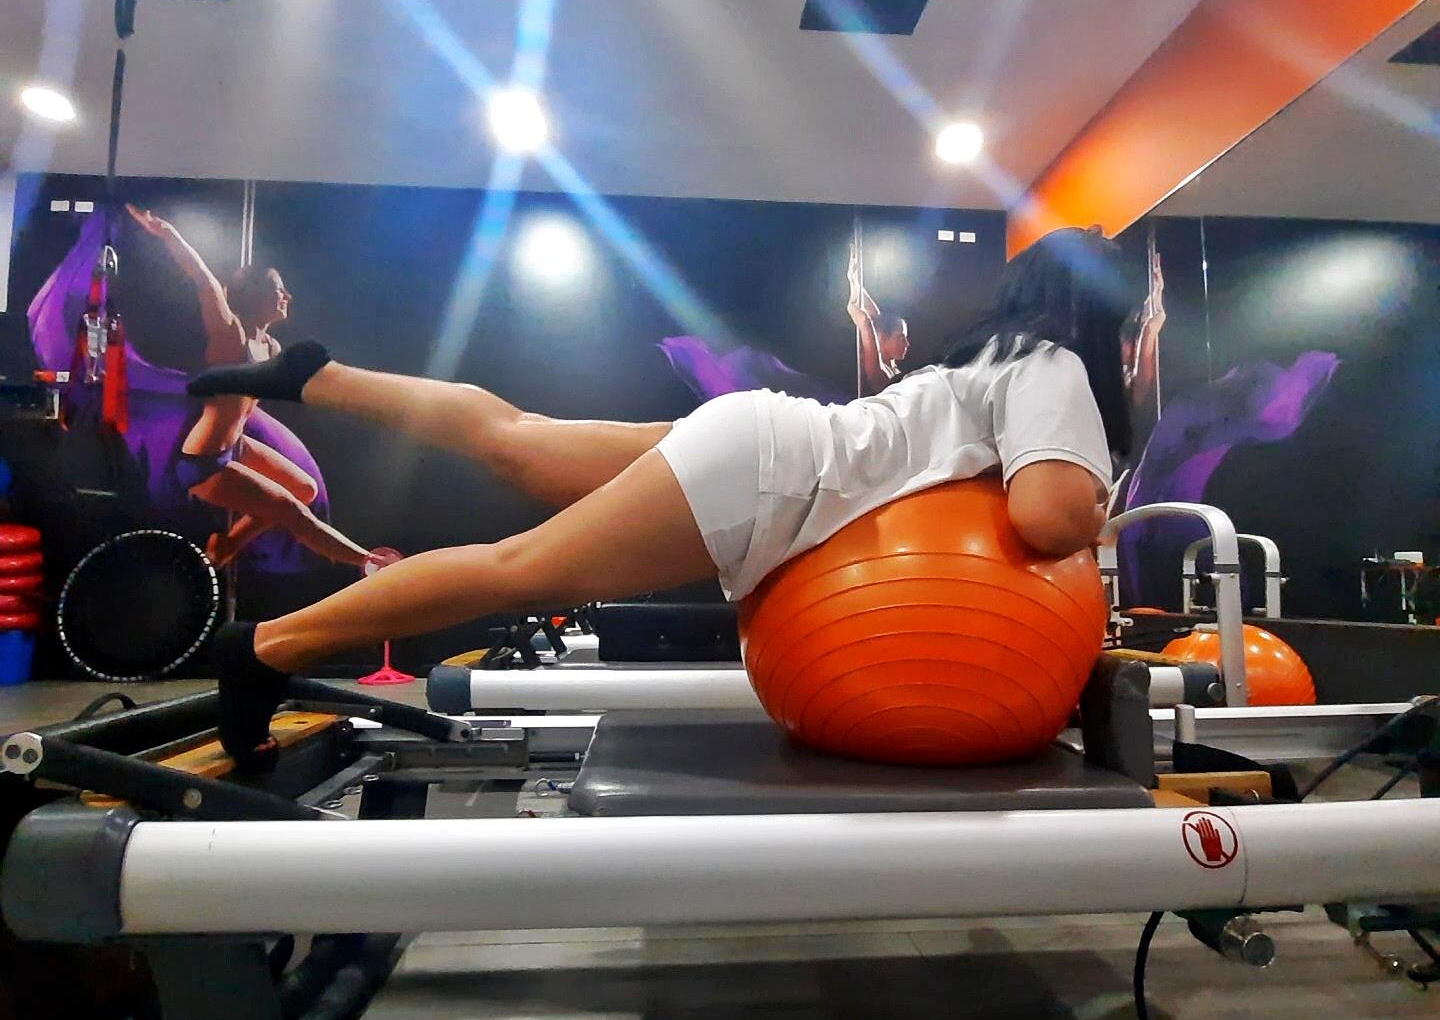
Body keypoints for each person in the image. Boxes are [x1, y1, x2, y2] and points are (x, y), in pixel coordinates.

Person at [191, 225, 1140, 761]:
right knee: (517, 569)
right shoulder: (1052, 365)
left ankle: (320, 376)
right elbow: (1045, 513)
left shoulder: (982, 357)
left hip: (765, 440)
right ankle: (267, 647)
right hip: (771, 472)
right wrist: (1100, 503)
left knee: (518, 438)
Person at [126, 207, 375, 570]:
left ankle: (227, 545)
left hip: (237, 447)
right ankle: (367, 561)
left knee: (305, 490)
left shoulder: (271, 347)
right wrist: (168, 233)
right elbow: (204, 281)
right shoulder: (231, 337)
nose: (287, 295)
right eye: (278, 289)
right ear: (256, 295)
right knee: (290, 510)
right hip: (203, 461)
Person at [846, 241, 910, 394]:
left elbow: (875, 317)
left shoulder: (893, 371)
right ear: (881, 337)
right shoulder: (880, 374)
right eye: (901, 337)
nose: (907, 344)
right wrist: (852, 293)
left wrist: (855, 281)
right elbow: (866, 321)